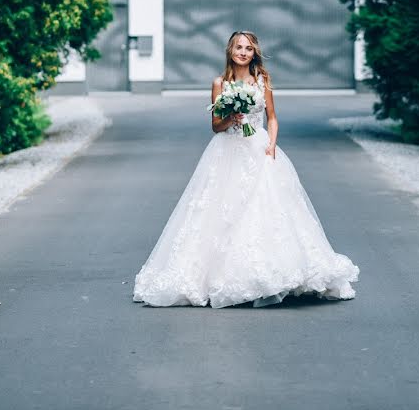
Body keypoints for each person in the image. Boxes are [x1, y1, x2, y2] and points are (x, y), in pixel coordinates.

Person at [132, 30, 359, 308]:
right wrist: (231, 117)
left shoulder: (263, 81)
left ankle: (277, 272)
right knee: (221, 211)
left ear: (254, 53)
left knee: (268, 207)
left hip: (259, 148)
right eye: (238, 47)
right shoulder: (220, 83)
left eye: (248, 48)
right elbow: (215, 126)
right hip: (227, 151)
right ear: (230, 51)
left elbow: (272, 118)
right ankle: (218, 276)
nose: (243, 52)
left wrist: (272, 144)